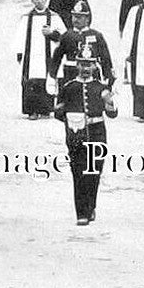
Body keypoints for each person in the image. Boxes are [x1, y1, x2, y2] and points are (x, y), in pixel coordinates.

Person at [54, 48, 117, 225]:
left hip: (97, 134)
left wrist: (109, 102)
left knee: (94, 172)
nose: (85, 69)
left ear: (95, 66)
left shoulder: (101, 88)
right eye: (82, 64)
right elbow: (58, 113)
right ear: (77, 65)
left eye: (89, 65)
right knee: (78, 172)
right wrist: (66, 115)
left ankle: (91, 207)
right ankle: (81, 213)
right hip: (76, 136)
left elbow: (112, 114)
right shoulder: (68, 87)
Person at [13, 0, 64, 120]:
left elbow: (62, 36)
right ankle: (32, 111)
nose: (39, 1)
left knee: (47, 80)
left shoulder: (54, 17)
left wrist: (52, 33)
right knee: (31, 81)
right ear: (32, 1)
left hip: (48, 55)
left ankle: (45, 110)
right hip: (31, 56)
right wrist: (19, 53)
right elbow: (20, 36)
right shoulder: (26, 17)